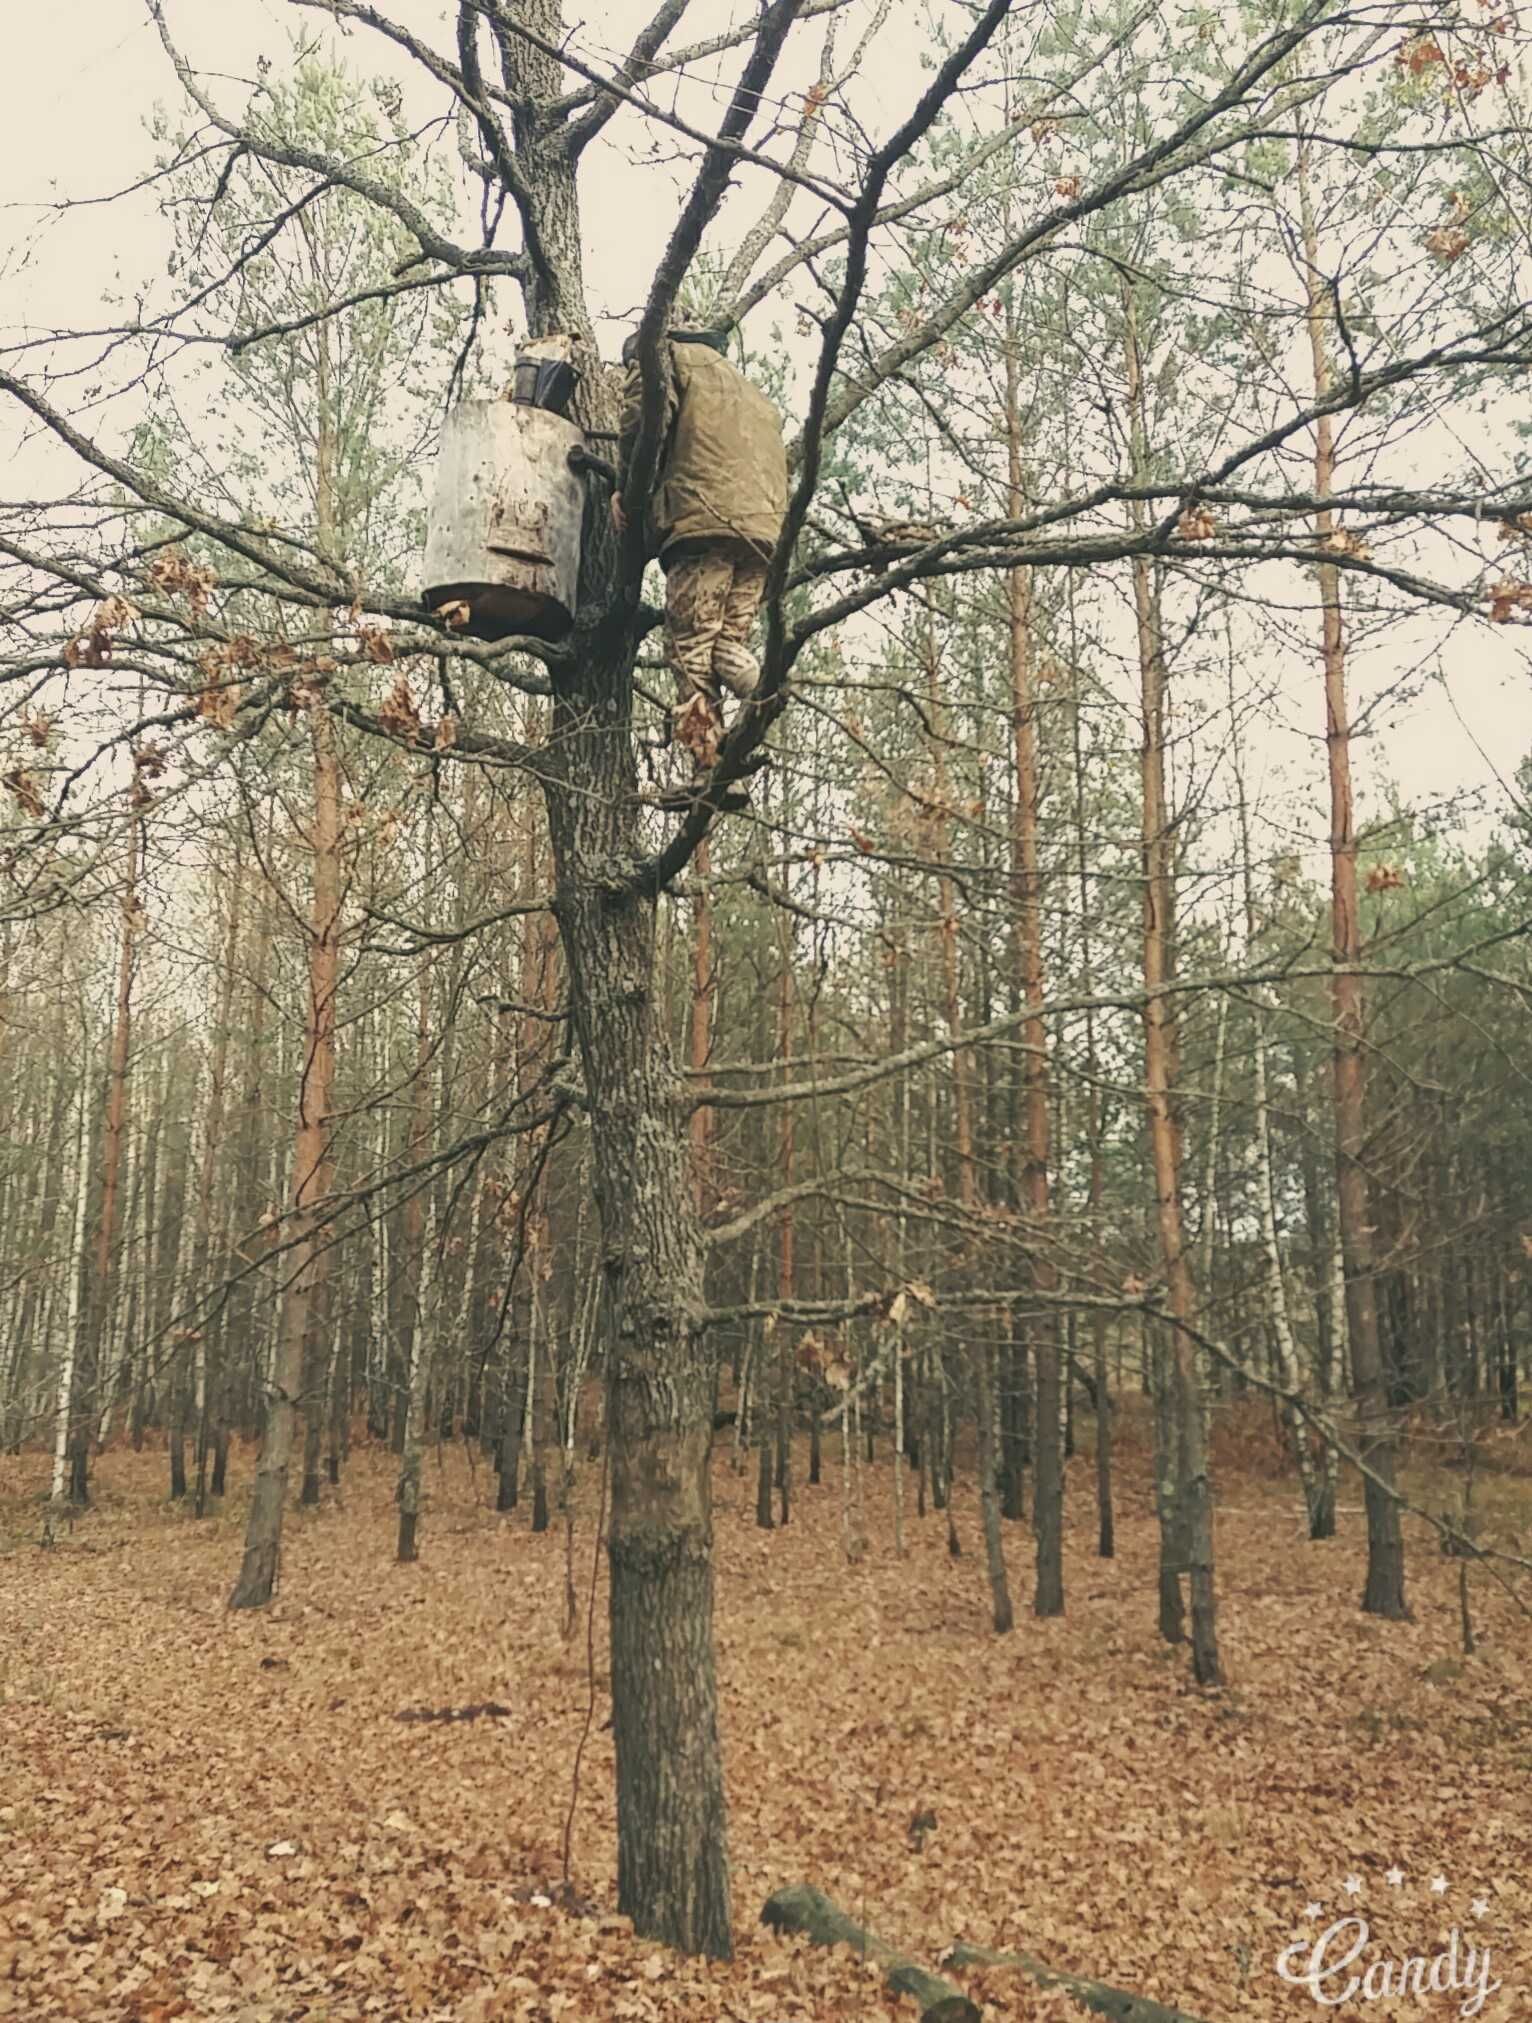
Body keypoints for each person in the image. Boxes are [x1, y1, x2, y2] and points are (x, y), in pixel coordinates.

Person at [613, 325, 788, 771]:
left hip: (702, 525)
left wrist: (625, 491)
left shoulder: (663, 358)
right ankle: (765, 689)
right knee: (723, 643)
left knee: (689, 645)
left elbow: (642, 423)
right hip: (764, 538)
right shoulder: (750, 390)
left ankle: (709, 767)